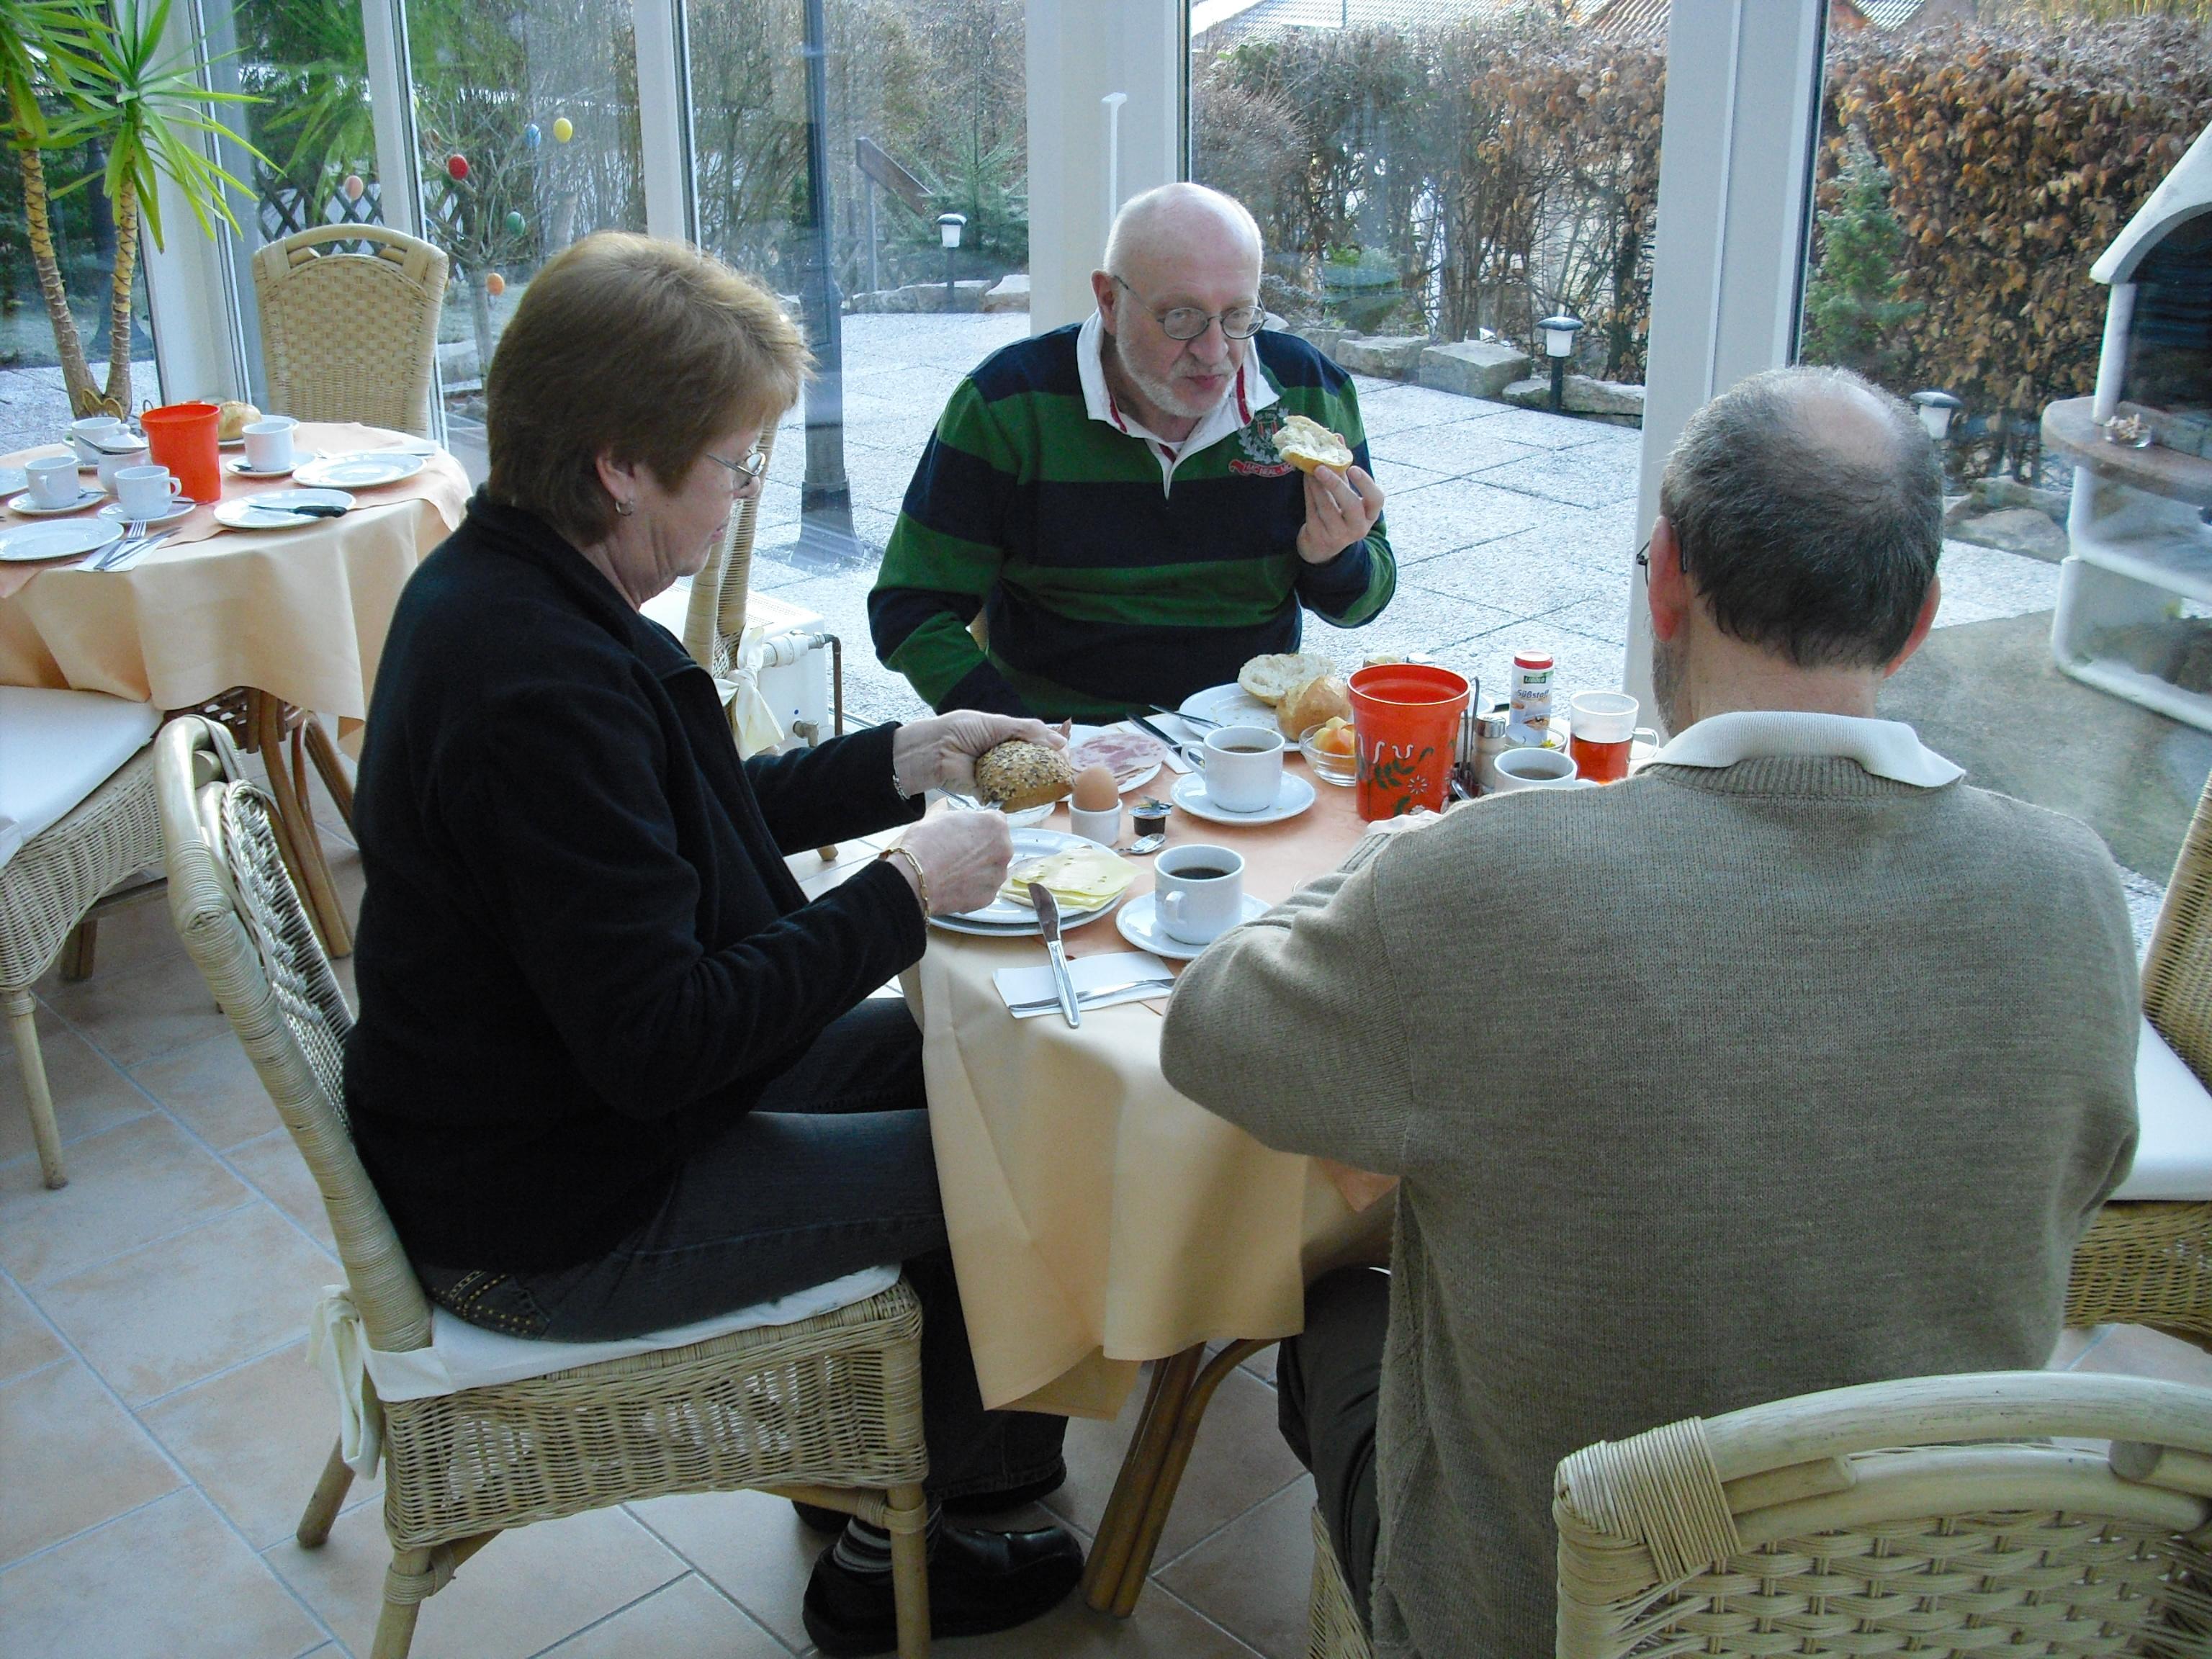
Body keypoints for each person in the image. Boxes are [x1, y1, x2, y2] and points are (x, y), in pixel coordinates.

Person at [1159, 365, 2140, 1658]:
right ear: (1917, 621)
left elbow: (1208, 1030)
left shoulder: (1486, 878)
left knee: (1329, 1307)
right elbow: (2089, 1164)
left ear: (1665, 574)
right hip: (1919, 1601)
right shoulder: (2069, 884)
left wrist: (1408, 848)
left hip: (1546, 1615)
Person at [343, 233, 1084, 1657]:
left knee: (967, 1065)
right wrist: (904, 894)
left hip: (541, 1117)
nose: (748, 496)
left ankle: (927, 1450)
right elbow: (667, 1040)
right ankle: (883, 1552)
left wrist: (906, 756)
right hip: (556, 1212)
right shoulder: (537, 683)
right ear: (623, 462)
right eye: (738, 465)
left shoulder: (512, 591)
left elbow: (668, 830)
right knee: (1011, 1160)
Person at [869, 182, 1395, 721]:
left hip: (1249, 740)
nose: (1215, 353)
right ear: (1110, 301)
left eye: (1238, 315)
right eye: (1182, 318)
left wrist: (1335, 557)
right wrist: (1009, 730)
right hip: (1066, 737)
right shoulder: (1010, 404)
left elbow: (1363, 602)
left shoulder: (1308, 390)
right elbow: (909, 608)